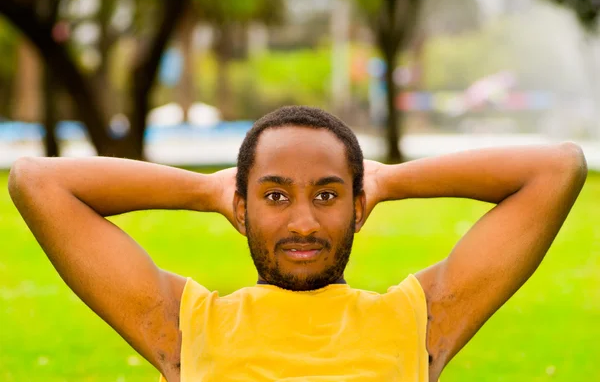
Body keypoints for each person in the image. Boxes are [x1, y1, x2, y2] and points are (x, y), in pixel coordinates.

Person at [8, 106, 587, 382]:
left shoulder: (420, 322)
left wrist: (385, 180)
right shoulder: (183, 328)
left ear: (358, 208)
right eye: (277, 197)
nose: (304, 223)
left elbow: (557, 169)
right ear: (242, 206)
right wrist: (205, 189)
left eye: (329, 196)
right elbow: (39, 182)